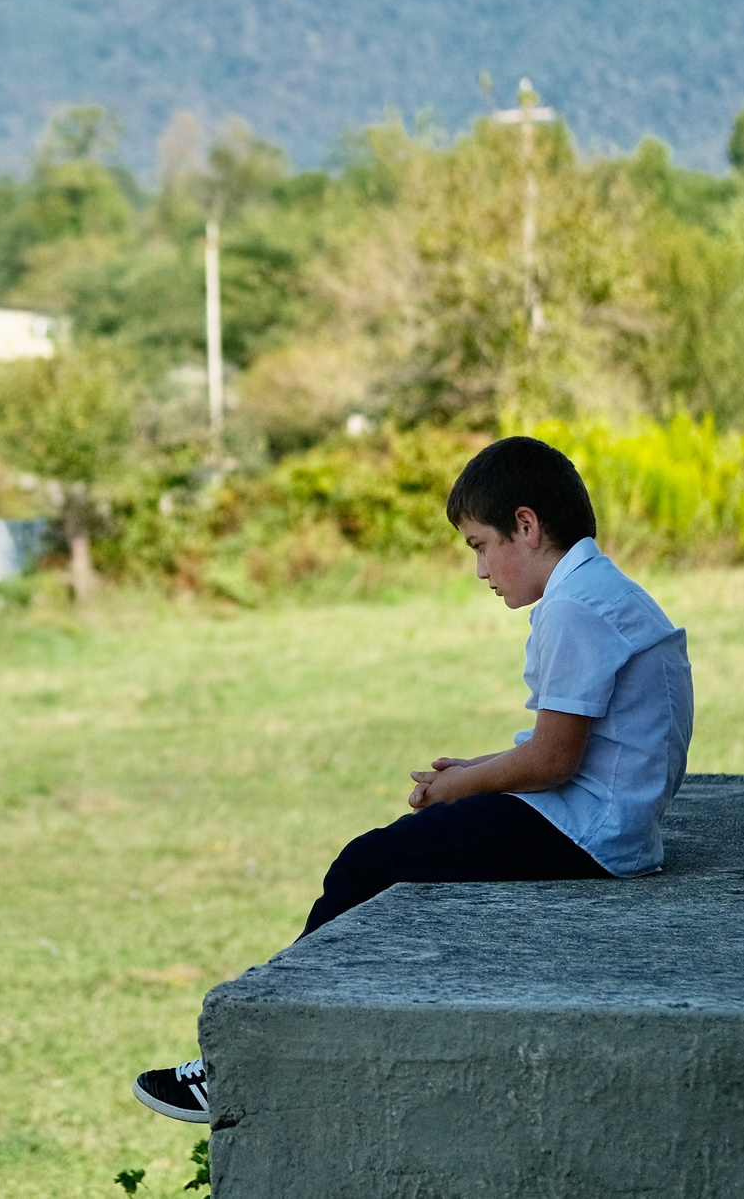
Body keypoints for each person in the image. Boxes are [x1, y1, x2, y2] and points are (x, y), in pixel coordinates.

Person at [131, 435, 694, 1124]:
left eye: (481, 545)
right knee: (390, 857)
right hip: (602, 823)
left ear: (526, 525)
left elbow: (553, 761)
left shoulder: (574, 607)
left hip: (590, 837)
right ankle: (268, 1043)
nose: (480, 569)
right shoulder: (599, 590)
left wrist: (465, 787)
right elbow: (569, 747)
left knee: (369, 863)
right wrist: (474, 770)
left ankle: (245, 1064)